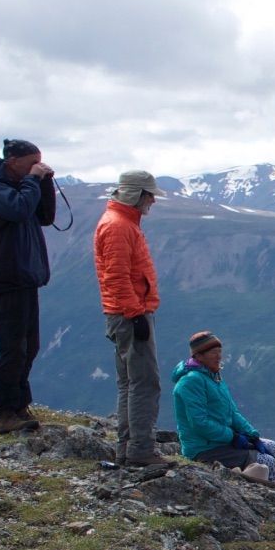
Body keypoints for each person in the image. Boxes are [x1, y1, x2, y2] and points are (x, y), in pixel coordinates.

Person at [0, 137, 55, 434]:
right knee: (12, 347)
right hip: (7, 278)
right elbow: (19, 210)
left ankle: (19, 404)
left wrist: (43, 184)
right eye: (32, 162)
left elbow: (45, 217)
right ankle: (4, 412)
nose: (37, 166)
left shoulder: (21, 187)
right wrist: (34, 181)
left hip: (25, 278)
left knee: (29, 346)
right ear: (12, 162)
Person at [94, 170, 169, 467]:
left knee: (130, 382)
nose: (152, 200)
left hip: (123, 313)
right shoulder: (119, 227)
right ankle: (140, 449)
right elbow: (116, 276)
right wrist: (135, 313)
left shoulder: (120, 223)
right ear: (136, 194)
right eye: (149, 195)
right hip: (129, 313)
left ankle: (127, 447)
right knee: (144, 382)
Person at [172, 331, 275, 482]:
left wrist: (252, 435)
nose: (219, 356)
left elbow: (232, 413)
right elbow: (199, 423)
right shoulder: (191, 382)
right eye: (213, 352)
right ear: (199, 356)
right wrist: (233, 436)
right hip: (204, 449)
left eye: (219, 352)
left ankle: (252, 477)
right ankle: (260, 491)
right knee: (267, 461)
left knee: (272, 446)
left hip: (221, 441)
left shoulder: (214, 377)